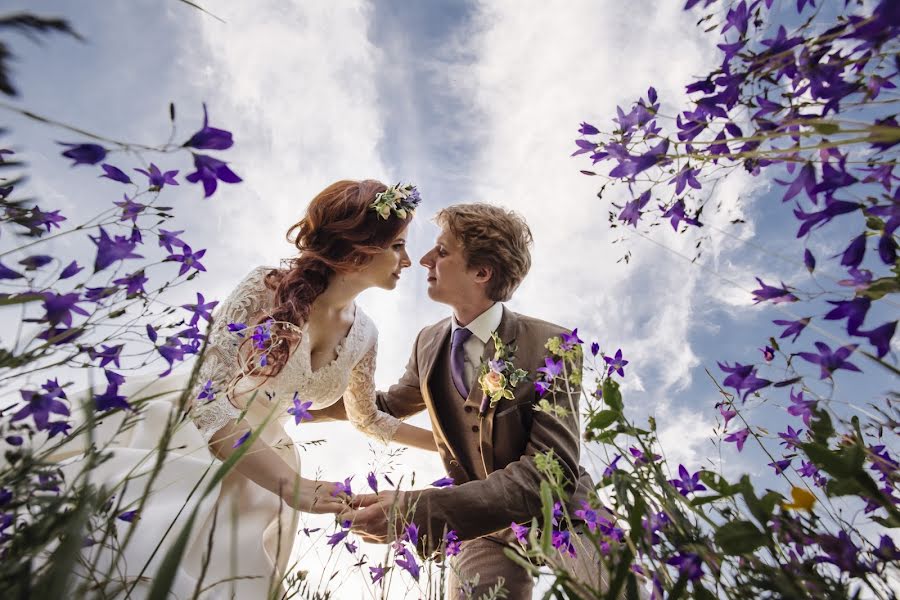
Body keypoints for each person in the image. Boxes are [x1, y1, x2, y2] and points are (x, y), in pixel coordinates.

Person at [55, 180, 437, 599]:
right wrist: (288, 484)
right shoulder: (264, 288)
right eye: (397, 246)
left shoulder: (366, 334)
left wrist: (449, 445)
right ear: (359, 245)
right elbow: (206, 400)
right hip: (193, 437)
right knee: (129, 554)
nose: (408, 260)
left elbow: (367, 417)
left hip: (264, 469)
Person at [338, 203, 601, 599]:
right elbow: (385, 405)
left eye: (442, 252)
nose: (425, 259)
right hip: (481, 531)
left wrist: (416, 510)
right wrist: (292, 396)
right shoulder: (428, 342)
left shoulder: (554, 345)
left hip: (564, 514)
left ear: (481, 272)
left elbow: (550, 472)